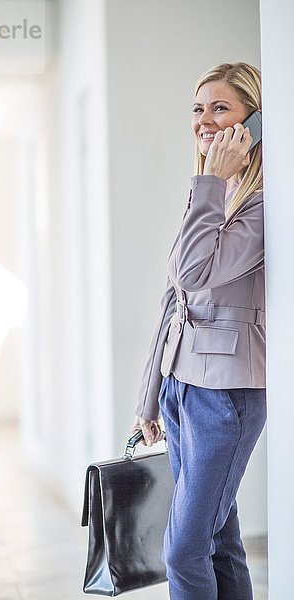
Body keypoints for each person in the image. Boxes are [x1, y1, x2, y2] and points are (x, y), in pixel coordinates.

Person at [132, 62, 266, 600]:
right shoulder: (214, 196)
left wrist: (208, 181)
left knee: (184, 549)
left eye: (220, 107)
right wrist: (150, 395)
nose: (204, 121)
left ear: (252, 124)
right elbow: (174, 298)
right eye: (197, 108)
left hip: (226, 397)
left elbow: (194, 272)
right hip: (180, 389)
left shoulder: (260, 204)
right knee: (220, 543)